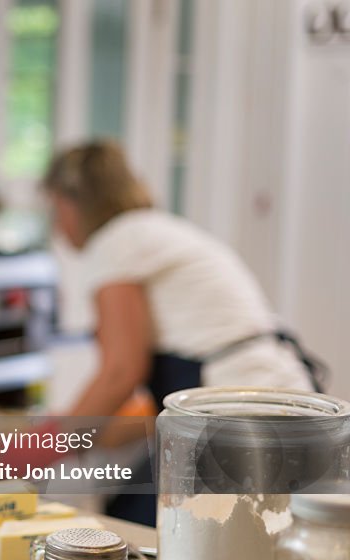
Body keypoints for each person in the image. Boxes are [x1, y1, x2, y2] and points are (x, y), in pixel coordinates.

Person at [37, 140, 324, 524]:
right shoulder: (157, 231)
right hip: (278, 400)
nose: (56, 225)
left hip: (239, 418)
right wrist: (88, 429)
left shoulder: (114, 243)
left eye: (54, 209)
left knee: (149, 527)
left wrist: (39, 447)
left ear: (70, 202)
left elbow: (121, 371)